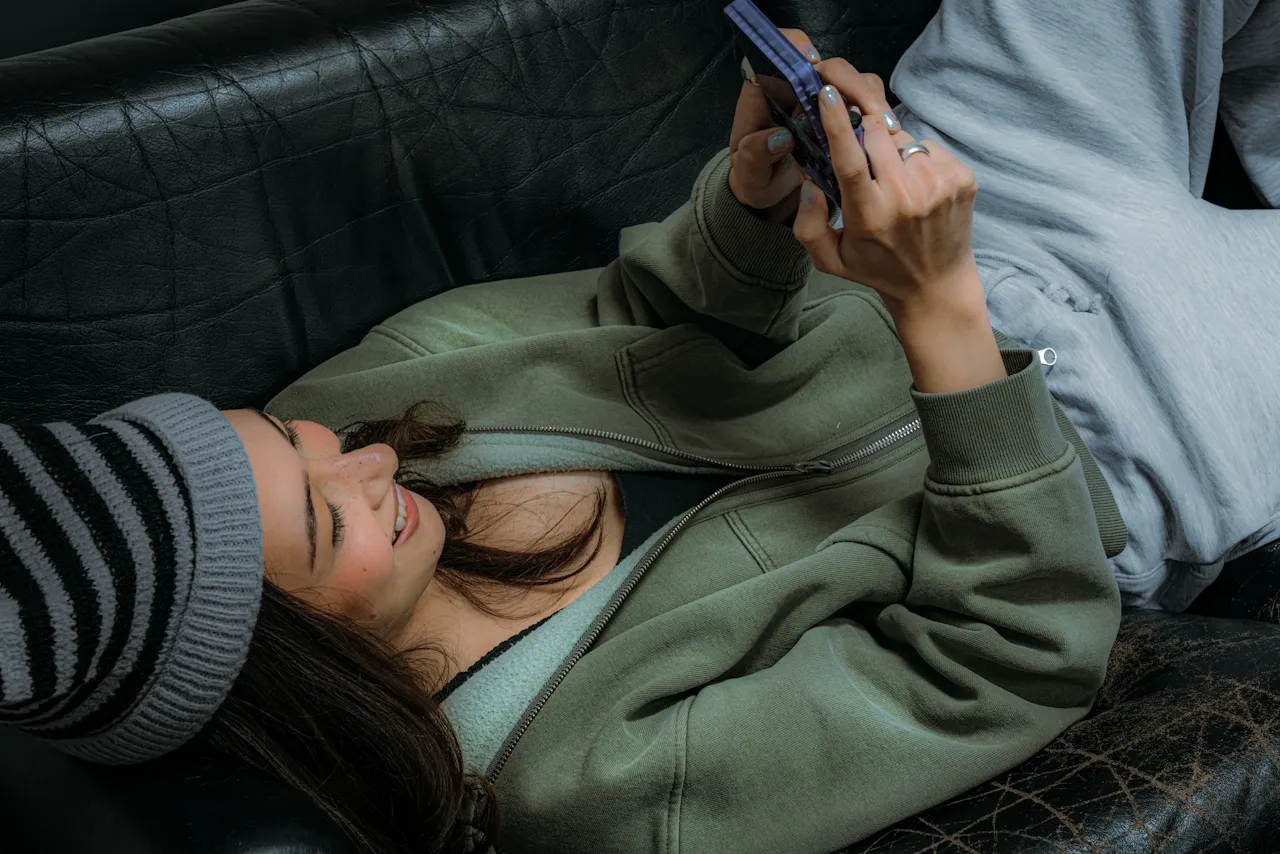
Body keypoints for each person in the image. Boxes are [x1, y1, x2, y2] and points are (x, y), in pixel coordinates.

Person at [1, 0, 1274, 848]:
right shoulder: (597, 789)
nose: (366, 448)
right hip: (1118, 425)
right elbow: (1006, 655)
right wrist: (937, 313)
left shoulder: (341, 407)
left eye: (291, 442)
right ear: (287, 670)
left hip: (935, 194)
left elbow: (640, 304)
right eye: (330, 514)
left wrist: (752, 203)